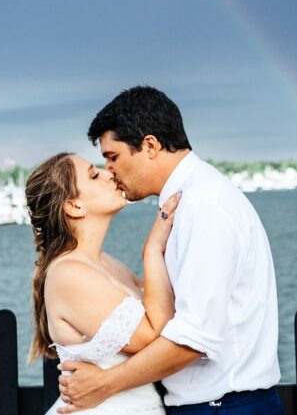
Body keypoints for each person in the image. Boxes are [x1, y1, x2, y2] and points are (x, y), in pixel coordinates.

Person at [57, 86, 283, 414]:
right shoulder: (188, 202)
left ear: (149, 145)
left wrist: (105, 384)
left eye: (113, 157)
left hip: (222, 407)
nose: (110, 171)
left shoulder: (203, 206)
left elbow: (195, 338)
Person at [25, 151, 182, 414]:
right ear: (74, 206)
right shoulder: (69, 274)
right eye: (95, 175)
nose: (110, 174)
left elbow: (164, 303)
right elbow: (154, 336)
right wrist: (152, 249)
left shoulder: (108, 262)